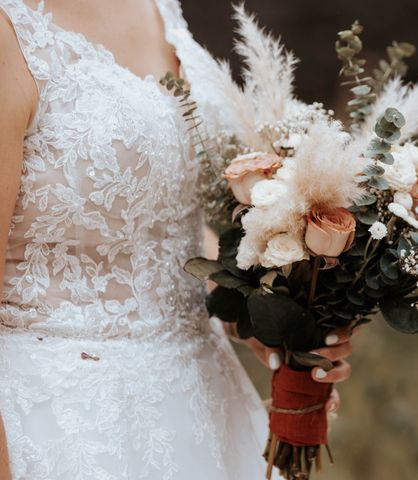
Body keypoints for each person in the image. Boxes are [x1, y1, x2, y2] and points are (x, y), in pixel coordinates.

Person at [0, 1, 354, 478]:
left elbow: (161, 224)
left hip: (203, 407)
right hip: (68, 422)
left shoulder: (159, 7)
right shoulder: (11, 31)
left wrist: (260, 316)